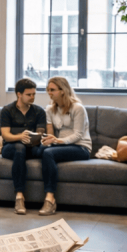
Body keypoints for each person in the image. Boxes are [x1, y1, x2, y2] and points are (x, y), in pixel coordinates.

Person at [37, 77, 91, 216]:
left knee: (48, 153)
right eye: (48, 90)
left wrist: (59, 141)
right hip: (60, 145)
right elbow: (50, 134)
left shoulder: (77, 108)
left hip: (80, 147)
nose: (49, 93)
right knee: (40, 150)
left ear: (62, 90)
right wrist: (48, 140)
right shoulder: (49, 109)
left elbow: (78, 134)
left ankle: (50, 199)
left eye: (52, 90)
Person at [0, 77, 46, 215]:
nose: (32, 97)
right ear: (19, 94)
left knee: (47, 151)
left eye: (34, 94)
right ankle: (19, 196)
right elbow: (6, 135)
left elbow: (41, 133)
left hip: (32, 147)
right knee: (20, 149)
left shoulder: (39, 111)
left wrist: (35, 136)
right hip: (11, 147)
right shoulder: (7, 110)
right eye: (29, 94)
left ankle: (49, 197)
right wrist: (20, 136)